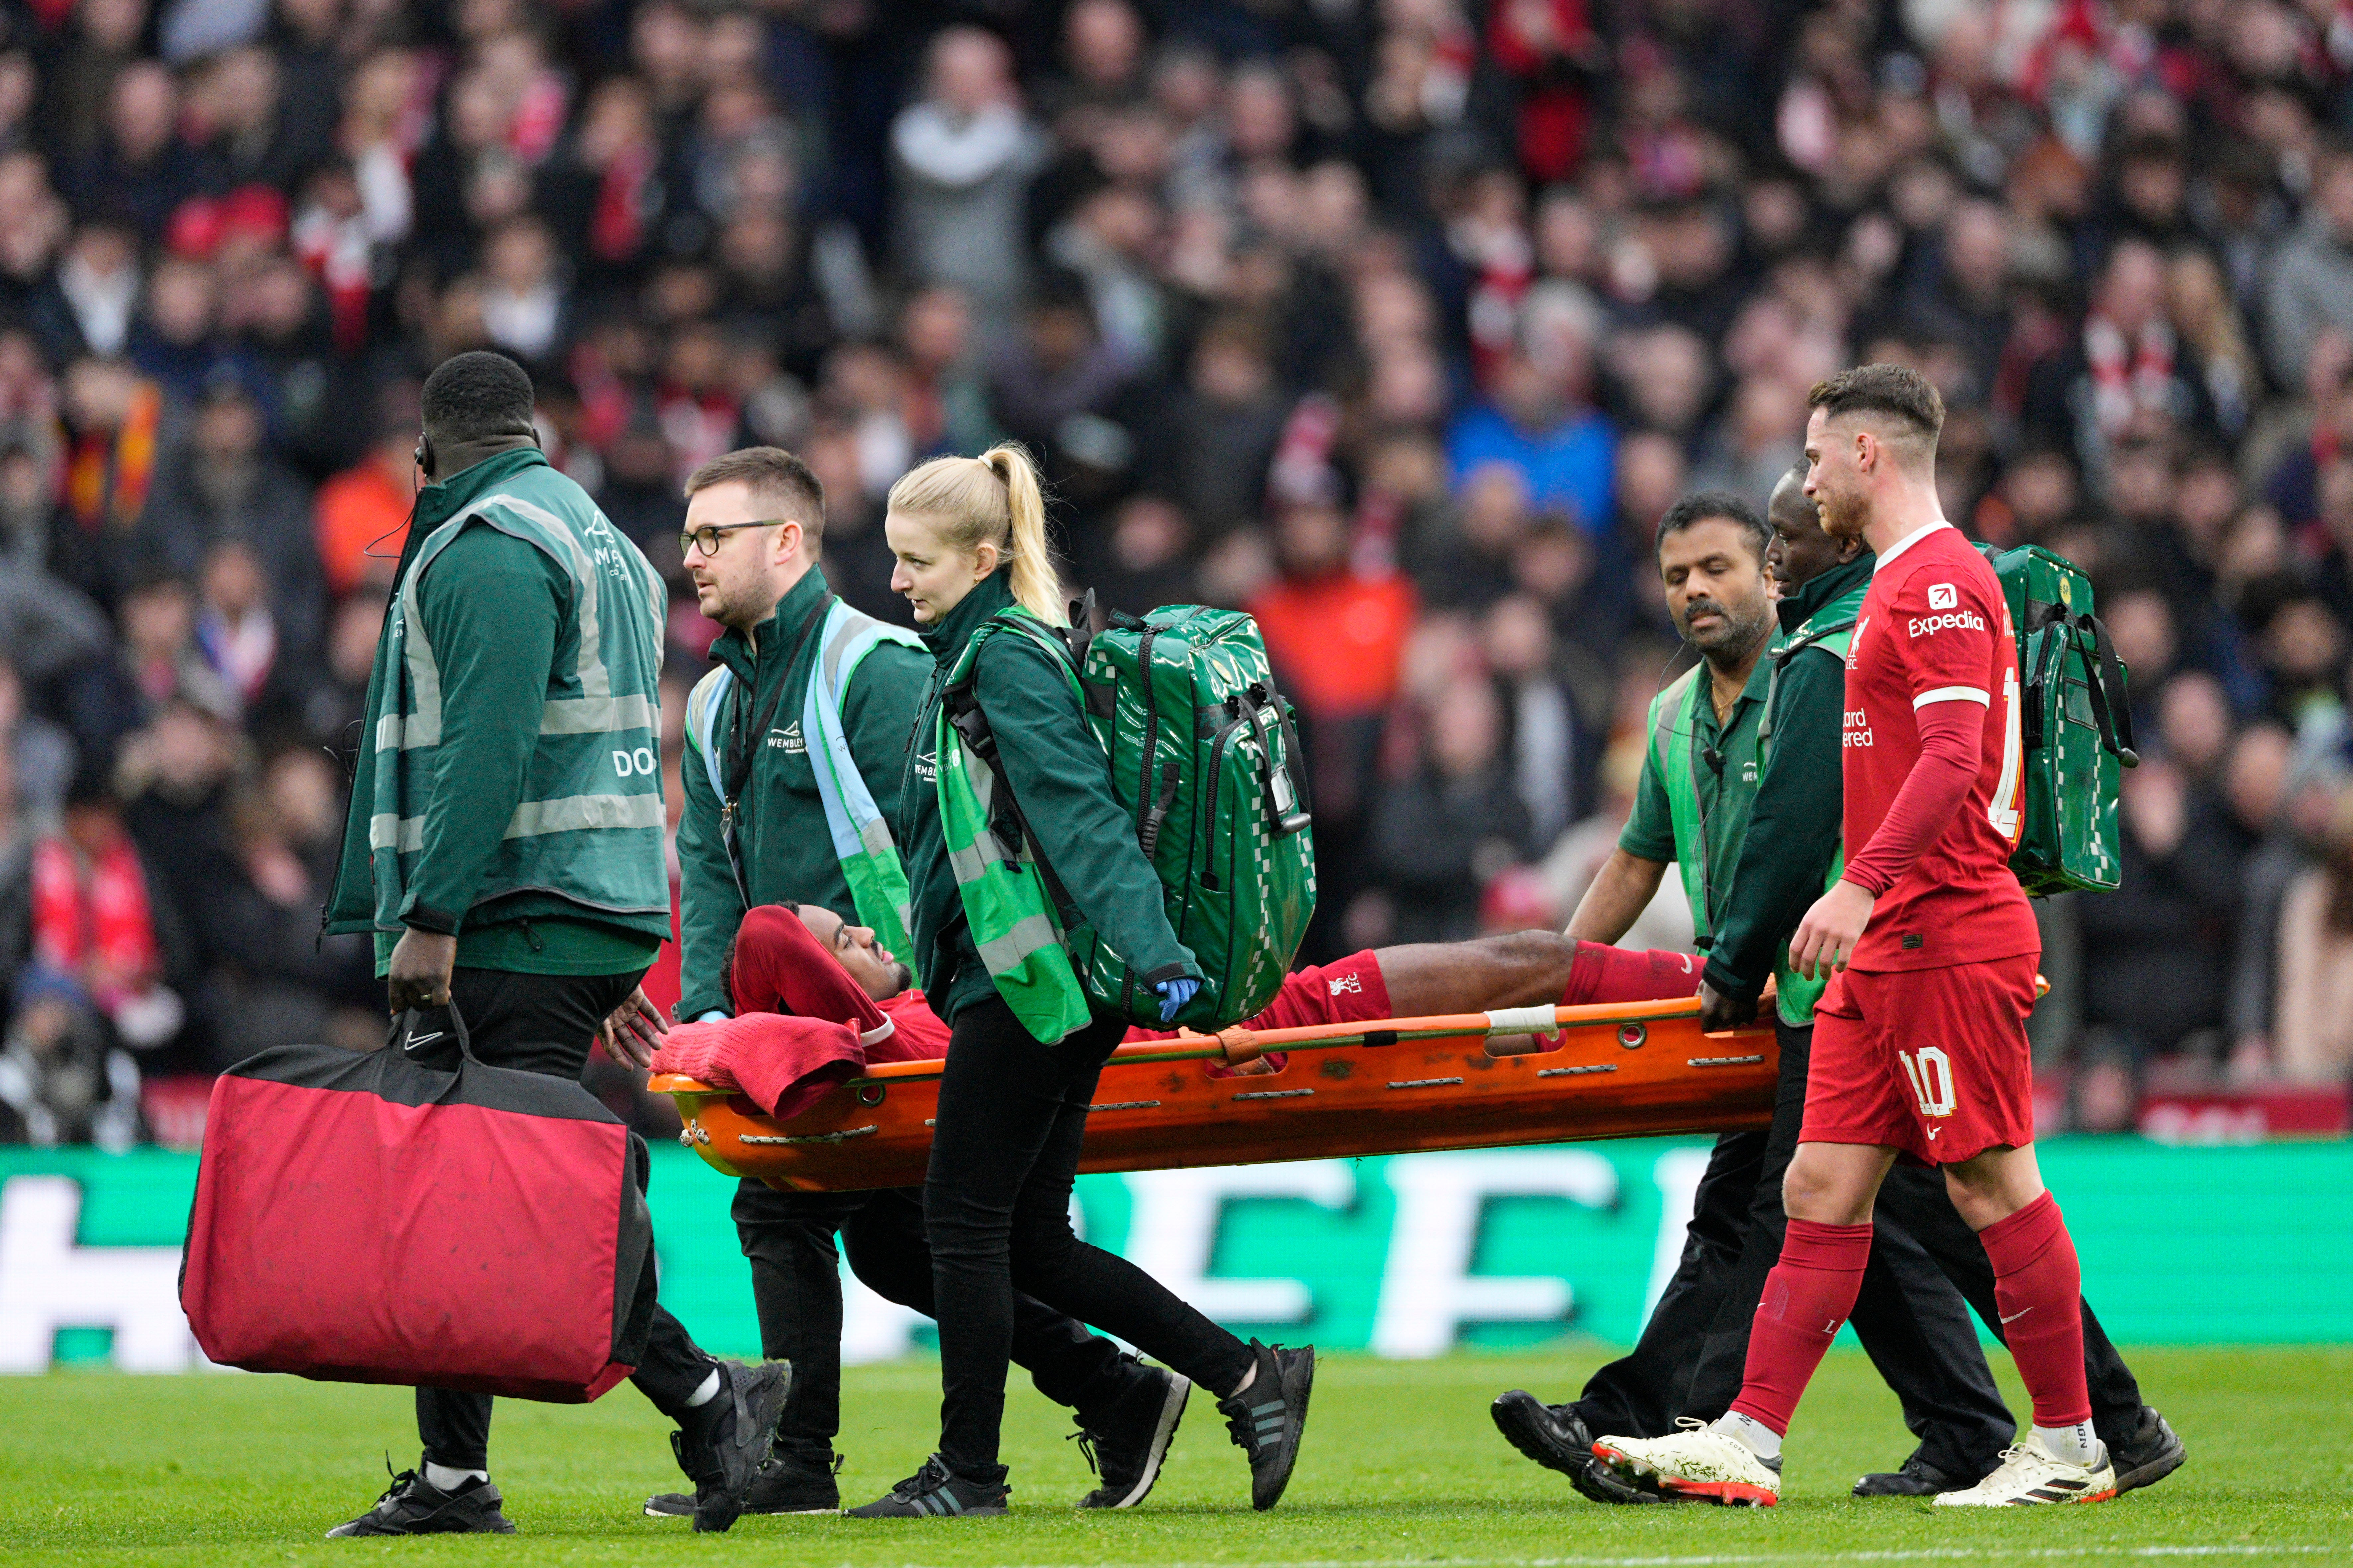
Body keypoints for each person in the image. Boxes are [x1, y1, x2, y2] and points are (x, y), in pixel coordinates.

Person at [1593, 364, 2127, 1508]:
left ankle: (2076, 1445)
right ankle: (1748, 1438)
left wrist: (1859, 888)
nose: (1804, 478)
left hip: (1940, 930)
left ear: (1867, 457)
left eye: (1815, 454)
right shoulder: (1886, 585)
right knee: (1820, 1187)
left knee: (1992, 1188)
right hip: (1881, 956)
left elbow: (1953, 758)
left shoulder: (1937, 582)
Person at [626, 445, 1176, 1518]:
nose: (689, 558)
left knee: (813, 1217)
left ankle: (812, 1462)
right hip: (799, 1024)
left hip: (898, 1012)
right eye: (687, 537)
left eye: (711, 537)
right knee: (883, 1239)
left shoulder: (874, 670)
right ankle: (1108, 1390)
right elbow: (709, 869)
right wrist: (707, 1015)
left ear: (786, 542)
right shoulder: (713, 704)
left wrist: (925, 994)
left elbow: (955, 837)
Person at [318, 352, 787, 1537]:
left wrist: (430, 916)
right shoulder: (602, 541)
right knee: (481, 1188)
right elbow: (611, 743)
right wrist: (616, 943)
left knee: (503, 1202)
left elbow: (490, 746)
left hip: (511, 913)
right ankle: (455, 1476)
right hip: (585, 899)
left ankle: (704, 1393)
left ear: (427, 458)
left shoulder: (487, 547)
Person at [1490, 488, 2018, 1501]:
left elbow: (1829, 842)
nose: (1694, 590)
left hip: (1848, 989)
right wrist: (1562, 978)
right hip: (1766, 1003)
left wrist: (1768, 956)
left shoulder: (1827, 680)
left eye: (1717, 568)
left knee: (1770, 1213)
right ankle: (2006, 1425)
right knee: (1876, 1222)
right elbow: (1636, 860)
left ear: (1768, 574)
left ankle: (1642, 1424)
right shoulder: (1670, 714)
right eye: (1676, 576)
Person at [853, 444, 1308, 1519]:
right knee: (1027, 1238)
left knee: (959, 1225)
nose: (897, 582)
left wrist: (1155, 953)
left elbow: (1080, 818)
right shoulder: (971, 655)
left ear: (981, 555)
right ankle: (1249, 1376)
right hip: (1032, 982)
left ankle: (968, 1475)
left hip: (1032, 988)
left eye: (916, 562)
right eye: (894, 559)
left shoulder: (1003, 661)